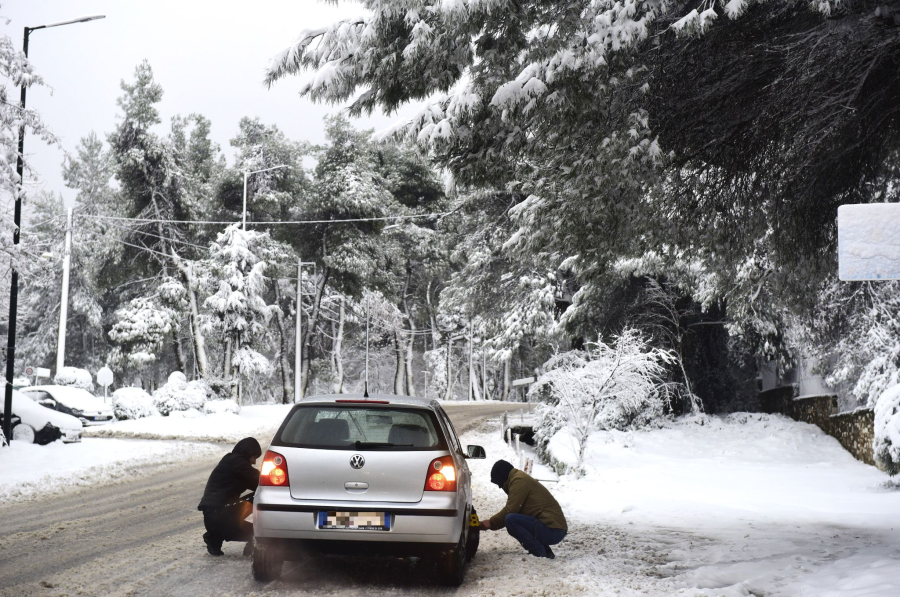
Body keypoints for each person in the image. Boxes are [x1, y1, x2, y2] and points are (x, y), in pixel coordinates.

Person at [480, 459, 567, 559]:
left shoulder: (519, 481)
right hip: (554, 529)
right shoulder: (518, 478)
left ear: (503, 477)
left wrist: (491, 522)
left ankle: (538, 552)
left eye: (499, 483)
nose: (500, 487)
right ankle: (546, 551)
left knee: (511, 519)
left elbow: (510, 510)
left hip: (554, 531)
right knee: (518, 518)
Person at [197, 436, 262, 556]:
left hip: (212, 515)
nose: (254, 462)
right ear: (248, 453)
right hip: (219, 513)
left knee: (259, 493)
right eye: (254, 457)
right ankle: (254, 541)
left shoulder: (232, 462)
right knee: (260, 498)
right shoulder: (237, 461)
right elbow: (259, 480)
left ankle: (214, 538)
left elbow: (257, 484)